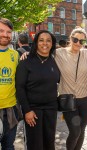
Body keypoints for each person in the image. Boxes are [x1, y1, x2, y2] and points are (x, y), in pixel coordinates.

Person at [15, 30, 60, 150]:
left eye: (48, 40)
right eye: (41, 40)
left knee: (49, 143)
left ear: (52, 43)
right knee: (35, 145)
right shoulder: (26, 61)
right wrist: (27, 110)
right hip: (33, 111)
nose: (45, 43)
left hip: (51, 108)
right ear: (36, 42)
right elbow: (20, 88)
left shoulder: (54, 60)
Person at [55, 27, 87, 150]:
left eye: (82, 41)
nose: (78, 43)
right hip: (67, 99)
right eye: (75, 39)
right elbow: (42, 54)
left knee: (82, 130)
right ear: (70, 39)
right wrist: (27, 52)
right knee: (75, 131)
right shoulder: (59, 53)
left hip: (86, 98)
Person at [0, 18, 20, 150]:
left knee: (8, 146)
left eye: (8, 32)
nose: (5, 34)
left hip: (11, 110)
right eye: (1, 31)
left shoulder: (16, 55)